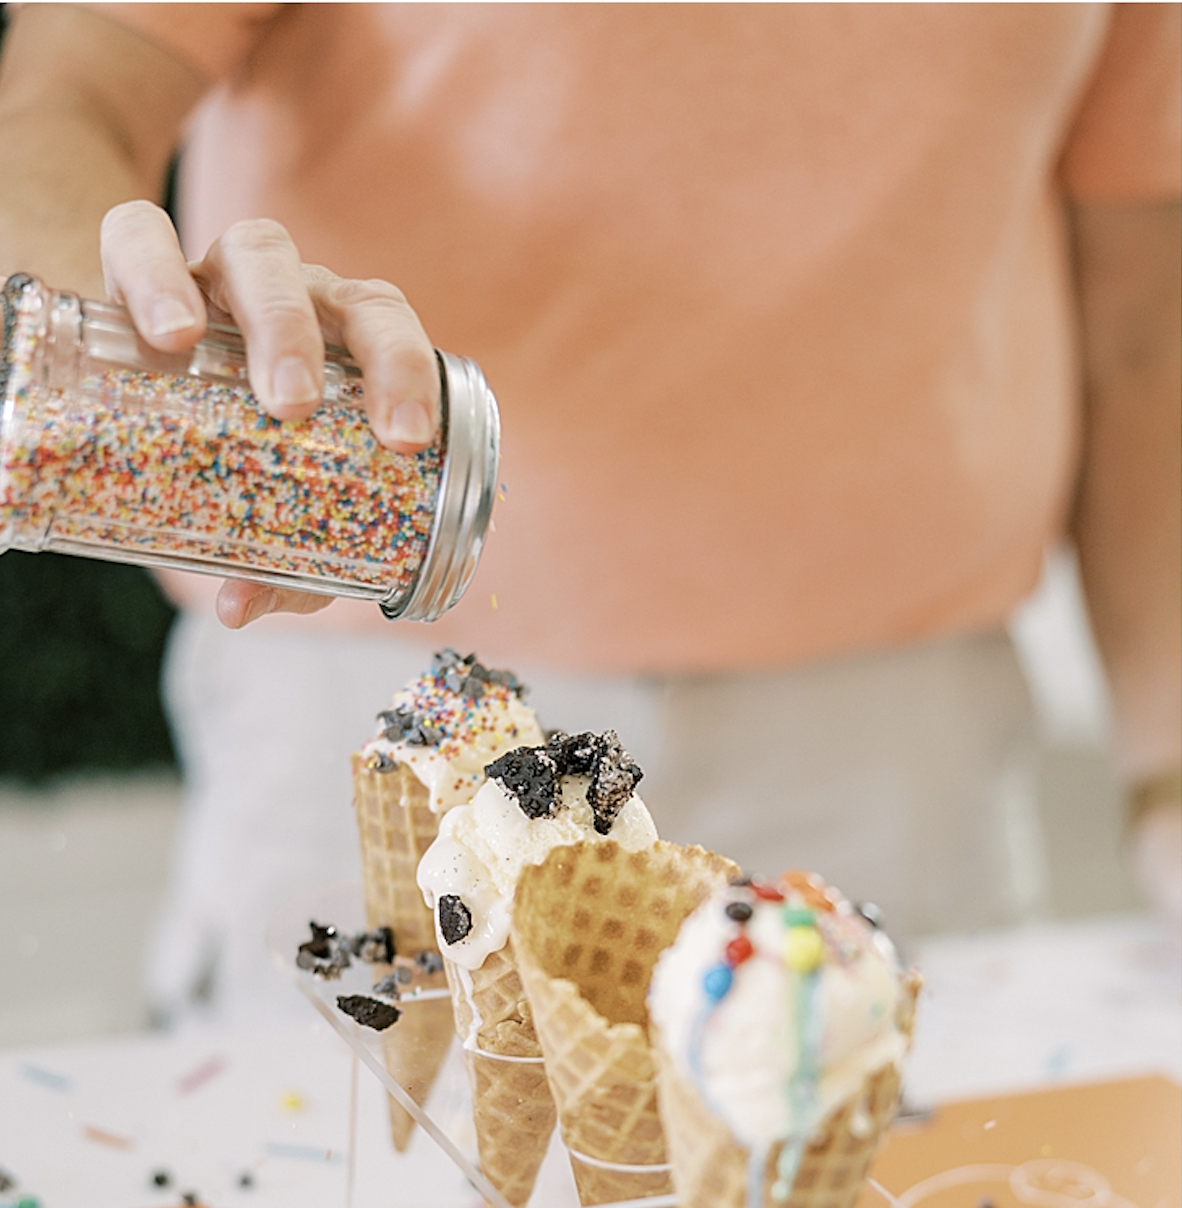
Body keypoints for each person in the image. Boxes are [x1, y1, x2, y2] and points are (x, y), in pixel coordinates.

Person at [0, 2, 1177, 1020]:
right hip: (389, 732)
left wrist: (1167, 778)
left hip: (900, 756)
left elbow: (1141, 327)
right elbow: (59, 108)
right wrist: (138, 350)